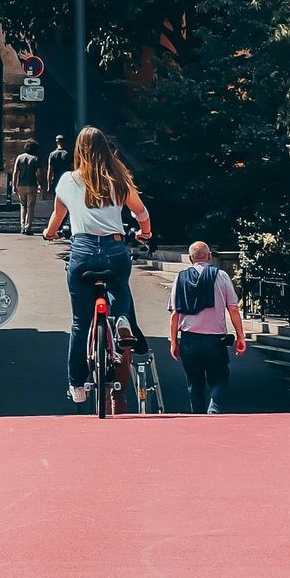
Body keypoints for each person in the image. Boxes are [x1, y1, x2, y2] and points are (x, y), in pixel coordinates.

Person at [44, 124, 151, 403]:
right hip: (115, 248)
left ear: (79, 150)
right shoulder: (118, 179)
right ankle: (122, 319)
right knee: (120, 286)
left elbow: (57, 218)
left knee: (80, 323)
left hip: (82, 251)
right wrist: (145, 233)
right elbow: (141, 212)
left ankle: (77, 385)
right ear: (106, 148)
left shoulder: (67, 180)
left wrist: (49, 233)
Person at [169, 241, 246, 413]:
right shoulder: (222, 276)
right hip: (215, 341)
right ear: (209, 256)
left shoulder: (180, 278)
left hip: (189, 340)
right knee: (219, 379)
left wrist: (174, 341)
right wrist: (240, 336)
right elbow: (233, 308)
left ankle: (198, 419)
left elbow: (175, 313)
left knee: (194, 384)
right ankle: (214, 411)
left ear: (190, 259)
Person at [11, 144, 41, 236]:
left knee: (22, 206)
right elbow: (38, 174)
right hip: (32, 184)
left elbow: (15, 172)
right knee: (30, 207)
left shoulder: (20, 158)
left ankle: (22, 226)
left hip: (21, 184)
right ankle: (28, 227)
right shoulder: (35, 159)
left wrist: (14, 185)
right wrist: (40, 184)